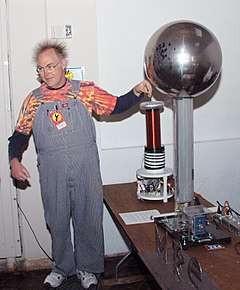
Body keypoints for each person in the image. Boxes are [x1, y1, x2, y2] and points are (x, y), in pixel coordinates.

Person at [8, 40, 152, 289]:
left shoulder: (85, 90)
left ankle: (88, 269)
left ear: (64, 64)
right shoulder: (34, 100)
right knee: (57, 220)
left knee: (88, 218)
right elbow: (19, 135)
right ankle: (62, 268)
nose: (46, 73)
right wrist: (14, 161)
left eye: (51, 66)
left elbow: (116, 105)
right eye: (41, 69)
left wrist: (136, 91)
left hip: (85, 168)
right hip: (52, 171)